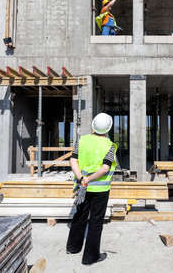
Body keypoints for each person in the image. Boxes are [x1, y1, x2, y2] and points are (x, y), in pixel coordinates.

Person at [66, 113, 117, 265]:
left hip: (82, 187)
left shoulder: (82, 140)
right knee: (95, 221)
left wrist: (82, 178)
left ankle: (73, 247)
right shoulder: (110, 146)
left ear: (93, 125)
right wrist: (89, 179)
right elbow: (105, 169)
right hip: (100, 190)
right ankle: (90, 257)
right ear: (108, 128)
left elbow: (73, 160)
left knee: (80, 215)